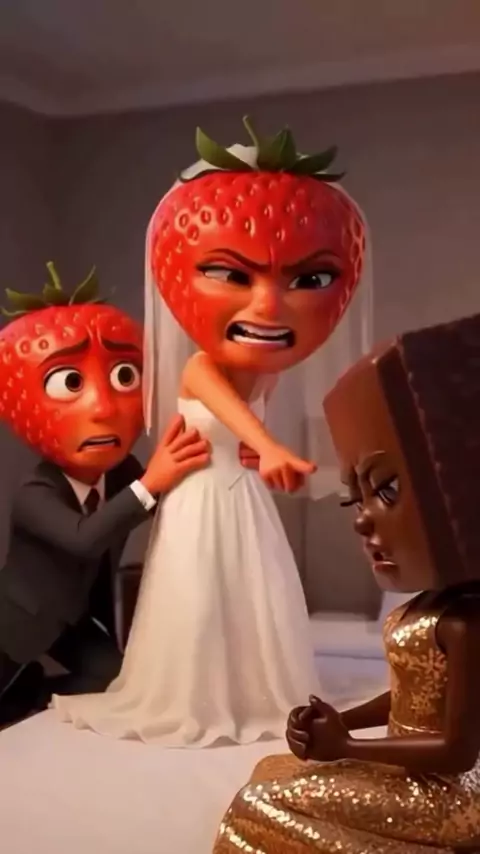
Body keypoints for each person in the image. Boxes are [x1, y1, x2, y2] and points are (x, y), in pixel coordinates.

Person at [52, 117, 373, 747]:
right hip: (200, 495)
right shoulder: (201, 366)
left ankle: (252, 688)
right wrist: (269, 446)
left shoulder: (264, 370)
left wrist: (263, 453)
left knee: (254, 595)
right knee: (200, 598)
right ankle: (197, 694)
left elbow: (247, 427)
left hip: (239, 495)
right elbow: (234, 416)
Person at [214, 312, 480, 852]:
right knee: (271, 769)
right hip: (411, 774)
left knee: (256, 803)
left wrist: (348, 748)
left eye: (385, 492)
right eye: (353, 500)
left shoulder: (465, 622)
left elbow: (458, 752)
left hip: (446, 797)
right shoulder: (426, 606)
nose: (361, 521)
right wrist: (343, 722)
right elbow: (409, 699)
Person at [0, 263, 210, 727]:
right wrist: (151, 482)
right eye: (70, 383)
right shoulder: (35, 494)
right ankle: (23, 691)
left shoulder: (122, 474)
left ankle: (36, 693)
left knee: (116, 681)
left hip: (76, 620)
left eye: (124, 377)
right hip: (16, 624)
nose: (102, 408)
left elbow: (163, 497)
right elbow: (86, 538)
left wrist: (226, 458)